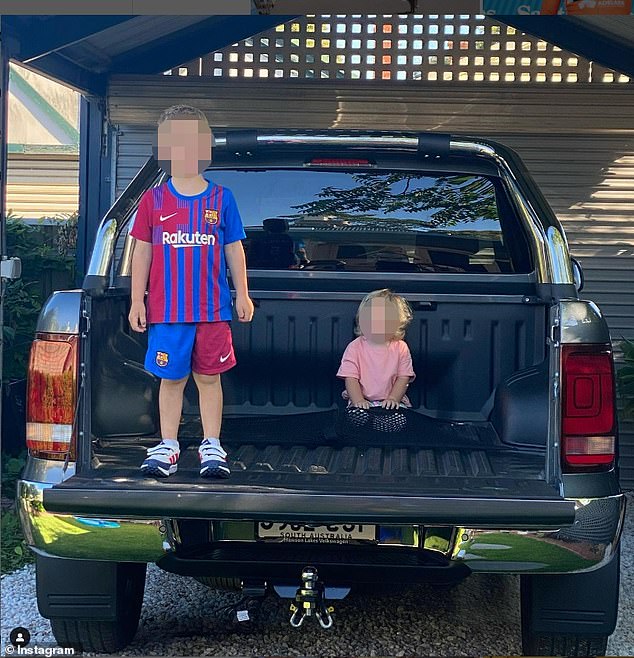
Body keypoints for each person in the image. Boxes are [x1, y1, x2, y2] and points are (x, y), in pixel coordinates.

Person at [128, 104, 254, 478]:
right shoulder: (153, 201)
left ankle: (211, 445)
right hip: (167, 314)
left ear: (206, 147)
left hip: (213, 311)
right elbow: (142, 251)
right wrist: (138, 299)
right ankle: (168, 446)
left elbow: (234, 247)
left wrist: (242, 293)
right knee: (172, 380)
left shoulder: (222, 199)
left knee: (209, 379)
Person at [336, 289, 416, 431]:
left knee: (399, 420)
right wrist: (358, 400)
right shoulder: (355, 347)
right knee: (355, 418)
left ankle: (378, 428)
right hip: (362, 401)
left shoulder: (400, 348)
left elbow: (403, 378)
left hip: (390, 402)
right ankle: (368, 428)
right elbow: (351, 378)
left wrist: (393, 399)